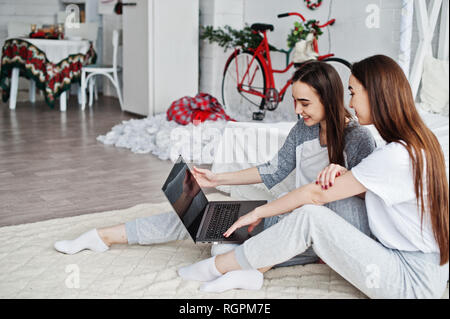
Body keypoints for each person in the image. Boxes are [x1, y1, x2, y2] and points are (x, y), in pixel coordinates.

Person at [54, 62, 376, 271]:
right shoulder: (302, 130)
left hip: (309, 234)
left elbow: (366, 207)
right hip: (283, 216)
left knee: (216, 237)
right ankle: (105, 236)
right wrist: (215, 177)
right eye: (294, 100)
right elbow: (272, 170)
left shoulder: (357, 139)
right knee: (202, 218)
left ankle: (238, 262)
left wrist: (343, 175)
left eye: (304, 103)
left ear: (329, 98)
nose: (296, 110)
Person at [178, 55, 449, 299]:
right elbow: (281, 170)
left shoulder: (391, 153)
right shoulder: (415, 145)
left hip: (412, 280)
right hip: (416, 265)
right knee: (305, 208)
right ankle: (246, 265)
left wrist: (258, 211)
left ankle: (215, 268)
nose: (351, 103)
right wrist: (345, 174)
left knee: (310, 214)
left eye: (354, 93)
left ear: (377, 94)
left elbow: (316, 194)